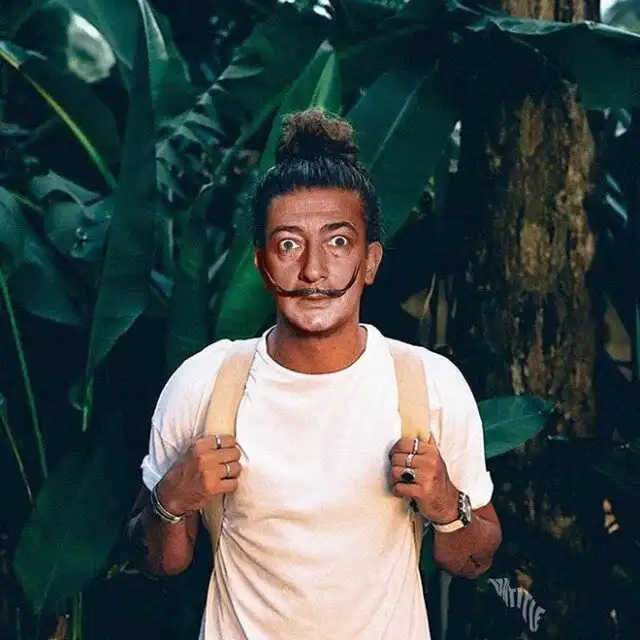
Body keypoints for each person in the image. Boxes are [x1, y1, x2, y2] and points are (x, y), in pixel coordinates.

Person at [127, 108, 502, 639]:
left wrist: (444, 505)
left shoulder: (427, 385)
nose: (313, 270)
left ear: (370, 262)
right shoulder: (207, 383)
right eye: (288, 244)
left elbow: (474, 561)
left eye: (338, 242)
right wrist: (170, 501)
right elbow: (156, 563)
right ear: (263, 265)